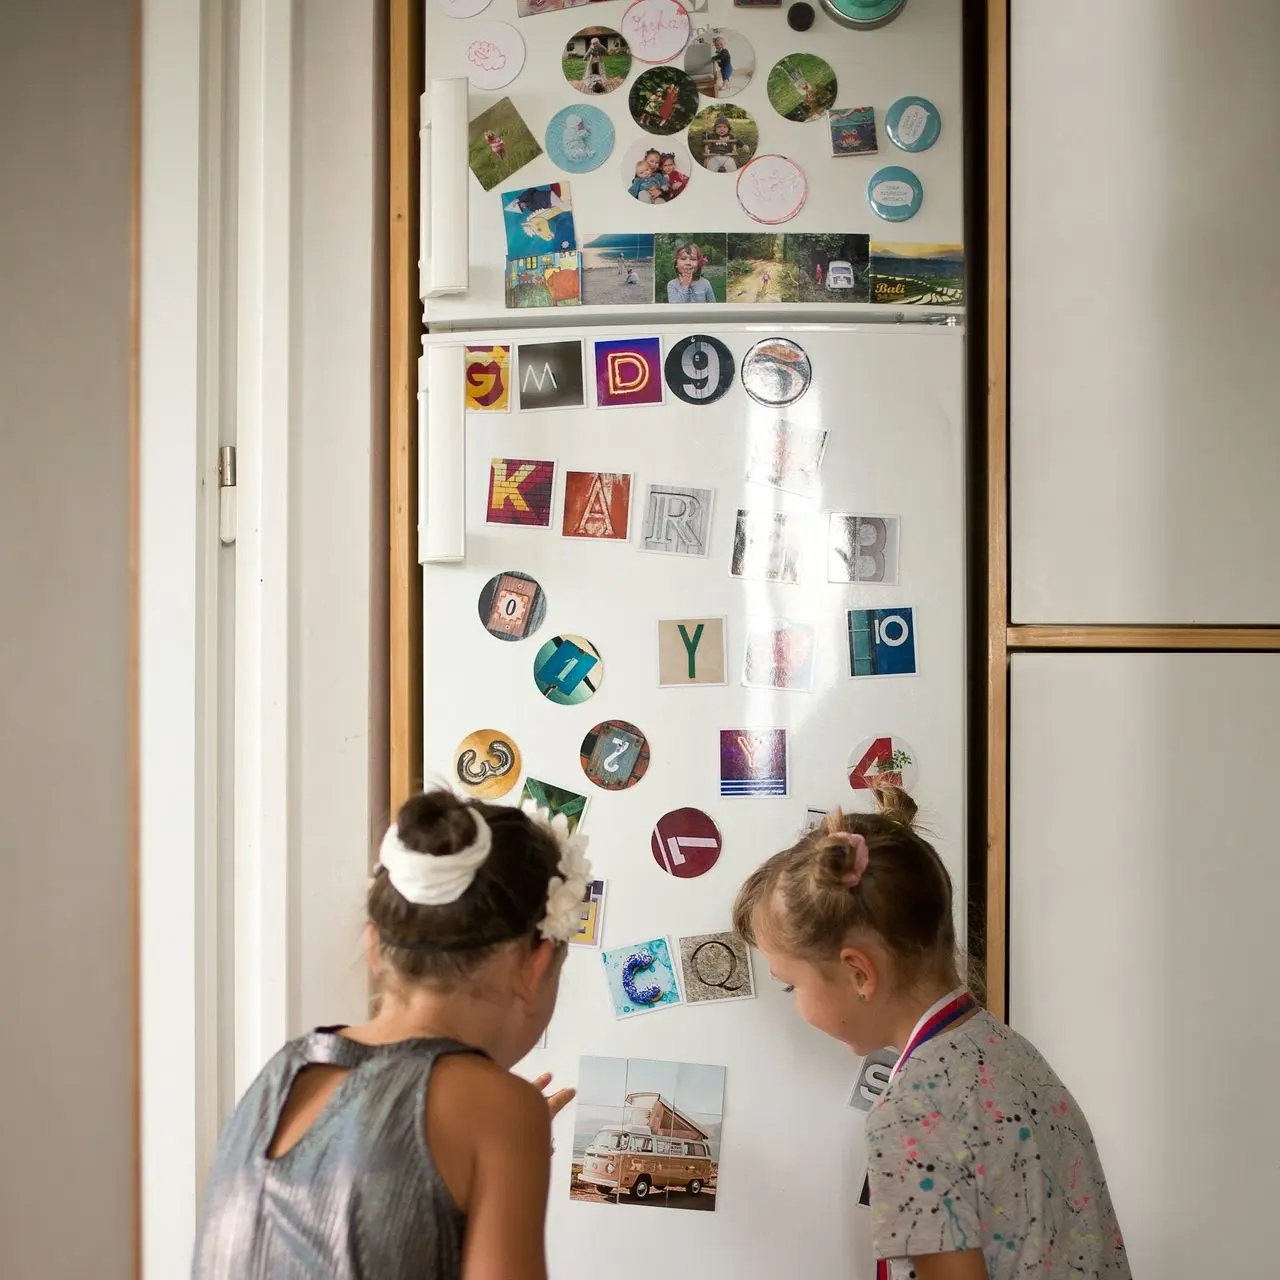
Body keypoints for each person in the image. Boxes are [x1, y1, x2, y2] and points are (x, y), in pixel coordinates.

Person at [732, 785, 1131, 1280]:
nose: (796, 1004)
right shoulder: (1009, 1052)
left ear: (859, 974)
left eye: (791, 985)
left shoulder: (910, 1115)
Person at [192, 788, 593, 1280]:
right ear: (537, 967)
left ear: (375, 949)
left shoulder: (284, 1069)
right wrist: (507, 1135)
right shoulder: (499, 1110)